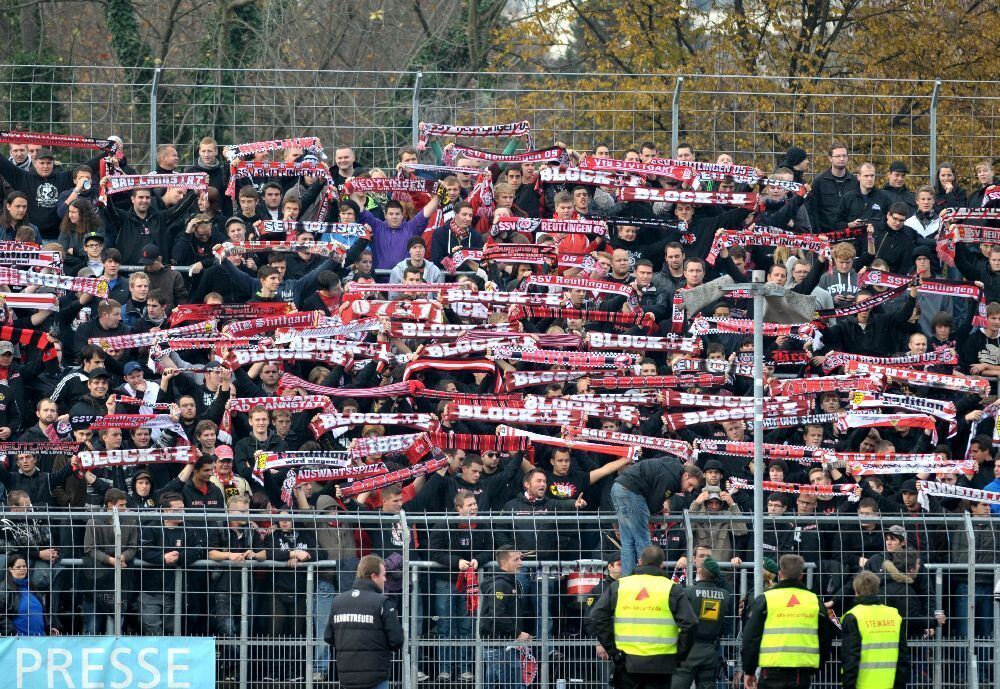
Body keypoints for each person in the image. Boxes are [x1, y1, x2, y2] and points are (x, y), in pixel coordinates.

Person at [590, 544, 698, 689]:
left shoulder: (620, 586)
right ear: (662, 564)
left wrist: (613, 650)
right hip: (662, 663)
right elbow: (690, 623)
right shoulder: (671, 588)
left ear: (640, 562)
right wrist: (679, 655)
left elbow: (597, 616)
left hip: (627, 662)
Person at [741, 554, 835, 689]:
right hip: (801, 673)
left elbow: (751, 637)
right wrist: (816, 667)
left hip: (770, 672)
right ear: (801, 575)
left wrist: (749, 670)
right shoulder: (814, 602)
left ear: (780, 574)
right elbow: (825, 639)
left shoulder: (766, 600)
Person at [325, 554, 404, 689]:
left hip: (347, 678)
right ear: (374, 576)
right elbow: (396, 640)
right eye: (383, 575)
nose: (385, 579)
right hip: (376, 677)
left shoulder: (338, 601)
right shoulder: (382, 602)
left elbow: (328, 636)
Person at [611, 462, 704, 575]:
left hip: (618, 487)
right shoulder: (670, 478)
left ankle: (628, 581)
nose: (689, 490)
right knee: (644, 544)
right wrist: (658, 509)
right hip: (632, 492)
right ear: (685, 475)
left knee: (628, 542)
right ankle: (647, 580)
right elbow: (654, 503)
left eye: (693, 488)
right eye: (690, 485)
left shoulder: (670, 470)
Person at [670, 553, 731, 689]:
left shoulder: (688, 592)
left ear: (700, 571)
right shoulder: (725, 596)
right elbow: (726, 625)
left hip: (688, 649)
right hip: (710, 650)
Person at [839, 571, 907, 689]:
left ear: (856, 591)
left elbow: (850, 658)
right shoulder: (894, 615)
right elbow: (902, 656)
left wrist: (848, 685)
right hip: (891, 684)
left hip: (862, 685)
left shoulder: (853, 616)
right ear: (877, 589)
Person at [479, 548, 532, 689]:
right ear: (503, 563)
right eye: (516, 560)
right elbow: (497, 614)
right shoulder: (501, 585)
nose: (520, 563)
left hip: (502, 644)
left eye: (521, 559)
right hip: (501, 645)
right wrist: (517, 633)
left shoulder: (509, 582)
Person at [1, 552, 59, 636]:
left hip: (39, 641)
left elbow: (41, 613)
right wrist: (13, 634)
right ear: (10, 569)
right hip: (19, 644)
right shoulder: (4, 589)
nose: (22, 569)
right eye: (18, 567)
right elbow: (1, 616)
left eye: (24, 566)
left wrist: (48, 628)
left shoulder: (32, 588)